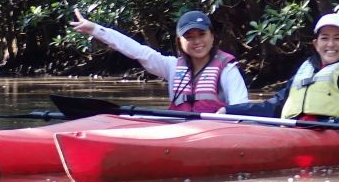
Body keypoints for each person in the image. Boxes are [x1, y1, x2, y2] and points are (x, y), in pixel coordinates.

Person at [70, 8, 248, 112]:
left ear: (212, 36)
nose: (197, 42)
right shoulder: (172, 66)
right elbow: (138, 51)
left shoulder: (227, 70)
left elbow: (242, 107)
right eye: (189, 37)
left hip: (216, 132)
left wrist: (226, 114)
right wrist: (95, 29)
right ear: (179, 41)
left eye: (202, 35)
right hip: (180, 131)